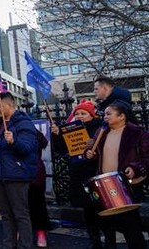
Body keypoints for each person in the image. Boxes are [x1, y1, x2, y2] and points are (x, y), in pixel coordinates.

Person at [85, 99, 149, 248]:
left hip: (128, 184)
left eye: (109, 114)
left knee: (130, 225)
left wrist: (134, 168)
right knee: (107, 226)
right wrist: (90, 154)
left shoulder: (138, 134)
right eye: (104, 114)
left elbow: (147, 158)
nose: (105, 117)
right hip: (105, 184)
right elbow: (94, 153)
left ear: (122, 116)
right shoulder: (102, 132)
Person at [51, 99, 104, 248]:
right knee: (87, 209)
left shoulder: (99, 128)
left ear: (91, 115)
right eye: (77, 113)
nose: (80, 116)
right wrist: (56, 135)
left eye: (83, 113)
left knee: (100, 207)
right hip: (79, 174)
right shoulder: (71, 129)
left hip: (95, 172)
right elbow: (61, 150)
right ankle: (94, 240)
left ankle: (107, 236)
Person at [0, 92, 38, 249]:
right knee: (5, 215)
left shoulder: (24, 123)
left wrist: (14, 141)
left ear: (9, 105)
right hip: (1, 176)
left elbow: (28, 148)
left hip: (17, 176)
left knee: (20, 215)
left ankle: (24, 246)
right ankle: (8, 245)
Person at [29, 129, 51, 248]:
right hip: (17, 173)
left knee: (38, 204)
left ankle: (40, 231)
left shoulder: (33, 134)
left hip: (34, 174)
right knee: (19, 206)